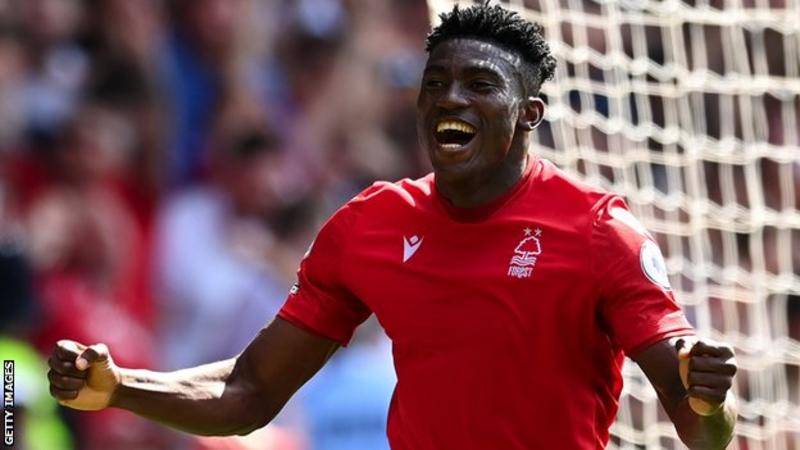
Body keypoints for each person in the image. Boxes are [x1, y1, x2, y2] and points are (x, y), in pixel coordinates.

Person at [47, 4, 738, 449]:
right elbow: (248, 392)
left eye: (478, 85)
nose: (449, 99)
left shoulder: (597, 233)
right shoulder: (371, 224)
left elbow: (697, 423)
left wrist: (705, 397)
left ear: (529, 114)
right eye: (435, 83)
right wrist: (120, 387)